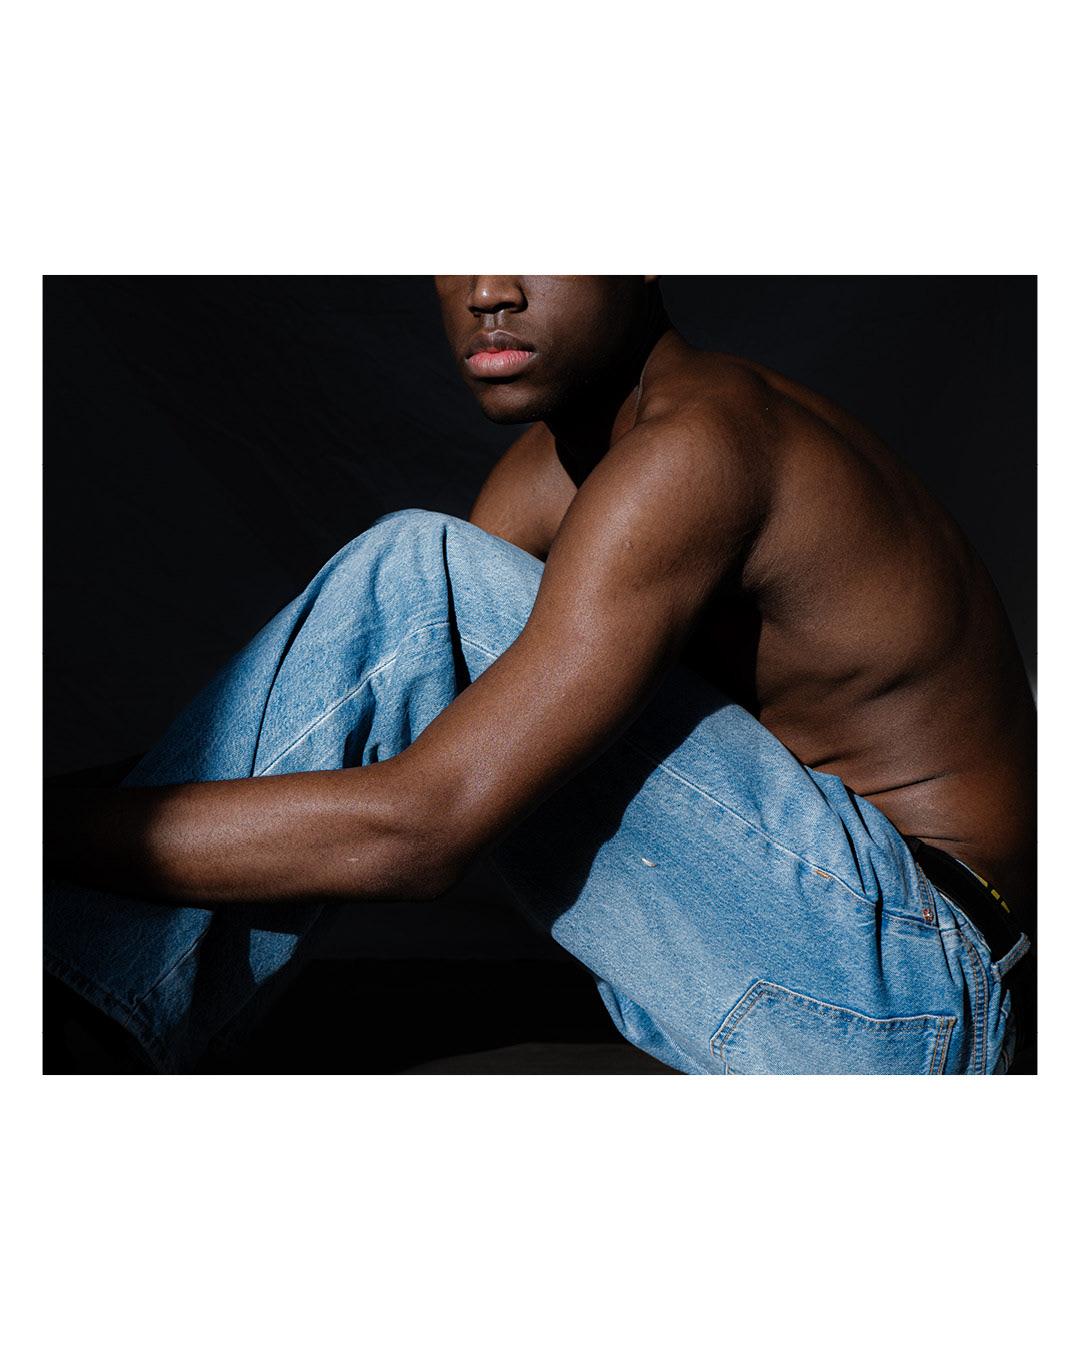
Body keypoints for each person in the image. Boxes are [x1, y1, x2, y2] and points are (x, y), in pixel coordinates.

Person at [44, 275, 1036, 1074]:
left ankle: (78, 1014)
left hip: (912, 986)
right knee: (417, 595)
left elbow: (421, 829)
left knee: (413, 568)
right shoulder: (550, 473)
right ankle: (82, 1010)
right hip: (808, 966)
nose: (489, 290)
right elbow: (357, 722)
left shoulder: (700, 446)